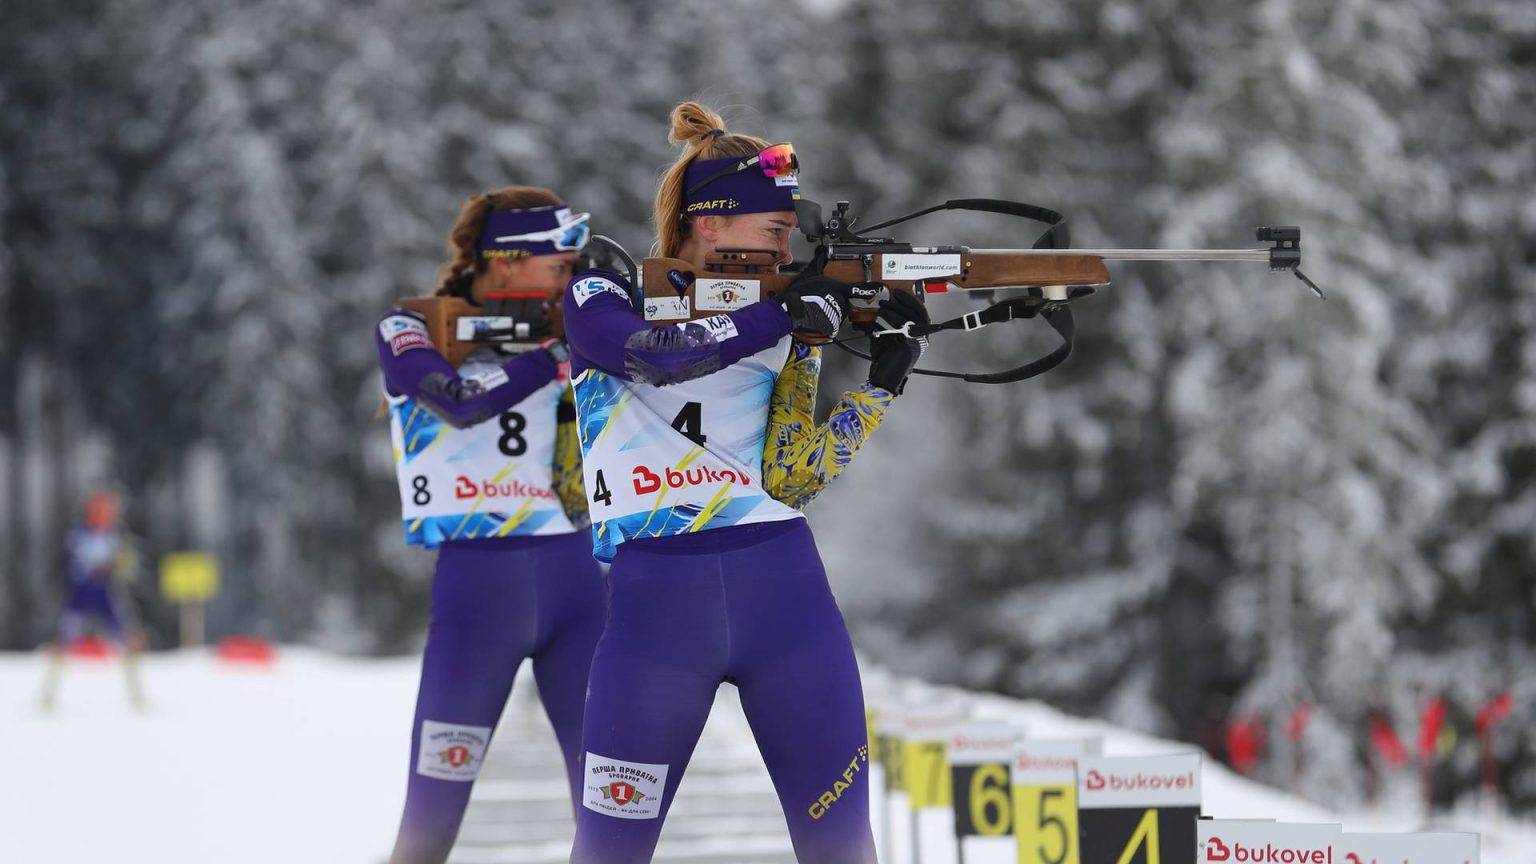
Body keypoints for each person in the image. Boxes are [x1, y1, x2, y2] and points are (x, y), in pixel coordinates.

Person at [562, 102, 929, 864]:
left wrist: (884, 379)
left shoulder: (782, 310)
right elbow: (652, 354)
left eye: (792, 229)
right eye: (772, 225)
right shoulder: (607, 287)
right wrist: (780, 318)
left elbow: (793, 476)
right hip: (656, 618)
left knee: (843, 850)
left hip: (787, 600)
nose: (787, 240)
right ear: (710, 221)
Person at [378, 187, 607, 864]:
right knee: (431, 814)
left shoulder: (570, 324)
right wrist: (548, 360)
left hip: (575, 581)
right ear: (504, 262)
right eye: (557, 265)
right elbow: (455, 401)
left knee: (608, 807)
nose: (568, 278)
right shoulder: (410, 326)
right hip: (479, 589)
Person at [38, 490, 147, 711]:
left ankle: (137, 695)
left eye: (108, 509)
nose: (105, 513)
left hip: (106, 595)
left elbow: (126, 567)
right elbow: (71, 563)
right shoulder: (78, 534)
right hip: (81, 594)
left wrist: (119, 565)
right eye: (101, 509)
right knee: (63, 641)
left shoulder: (116, 535)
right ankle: (47, 695)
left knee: (129, 639)